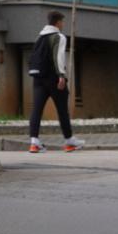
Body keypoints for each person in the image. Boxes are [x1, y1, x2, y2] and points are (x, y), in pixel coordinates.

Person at [26, 10, 84, 153]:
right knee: (62, 109)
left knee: (36, 110)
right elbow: (59, 57)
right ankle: (69, 141)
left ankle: (34, 142)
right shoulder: (59, 37)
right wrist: (61, 76)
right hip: (54, 78)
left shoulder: (40, 37)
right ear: (58, 22)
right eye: (62, 21)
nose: (63, 24)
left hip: (38, 78)